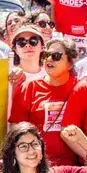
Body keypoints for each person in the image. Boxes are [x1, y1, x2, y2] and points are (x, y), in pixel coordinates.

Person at [9, 36, 80, 164]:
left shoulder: (81, 88)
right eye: (46, 55)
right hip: (37, 165)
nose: (49, 59)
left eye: (56, 56)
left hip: (74, 165)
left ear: (70, 62)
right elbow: (16, 128)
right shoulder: (29, 87)